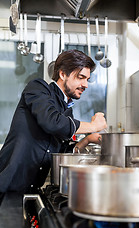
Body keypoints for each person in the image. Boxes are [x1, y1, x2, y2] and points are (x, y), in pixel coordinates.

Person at [0, 49, 107, 193]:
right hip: (9, 186)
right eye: (80, 77)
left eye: (87, 79)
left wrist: (87, 140)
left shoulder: (67, 110)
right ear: (63, 74)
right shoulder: (38, 88)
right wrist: (92, 126)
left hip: (32, 188)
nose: (85, 85)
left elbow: (59, 151)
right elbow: (52, 122)